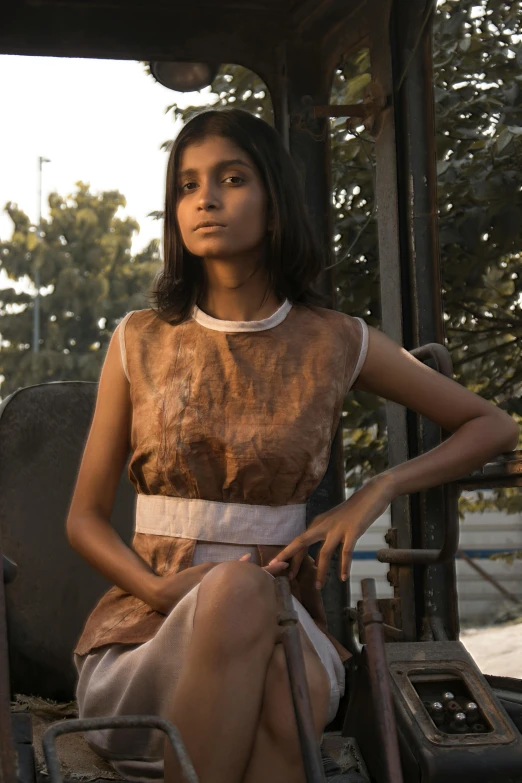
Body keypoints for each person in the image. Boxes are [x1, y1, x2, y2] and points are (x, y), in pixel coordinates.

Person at [66, 108, 519, 783]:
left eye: (231, 178)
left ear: (274, 205)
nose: (207, 199)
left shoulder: (335, 339)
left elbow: (493, 424)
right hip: (147, 637)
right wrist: (160, 590)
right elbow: (82, 518)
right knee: (243, 596)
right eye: (187, 186)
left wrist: (377, 489)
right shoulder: (139, 339)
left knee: (290, 673)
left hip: (281, 626)